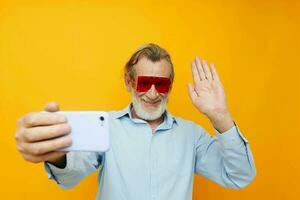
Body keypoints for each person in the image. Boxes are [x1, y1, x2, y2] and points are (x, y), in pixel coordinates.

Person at [15, 43, 256, 200]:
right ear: (129, 82)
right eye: (144, 83)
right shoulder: (106, 127)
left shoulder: (191, 135)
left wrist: (221, 117)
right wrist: (57, 154)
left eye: (161, 84)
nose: (152, 93)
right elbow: (69, 177)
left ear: (170, 87)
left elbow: (239, 176)